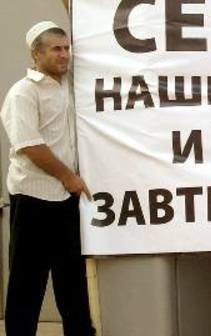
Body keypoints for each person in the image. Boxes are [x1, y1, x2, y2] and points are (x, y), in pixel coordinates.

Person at [0, 21, 95, 336]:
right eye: (56, 49)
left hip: (65, 200)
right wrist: (69, 177)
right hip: (34, 199)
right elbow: (29, 145)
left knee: (72, 280)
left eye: (67, 48)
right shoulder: (23, 93)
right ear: (36, 53)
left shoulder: (68, 87)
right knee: (27, 281)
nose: (65, 55)